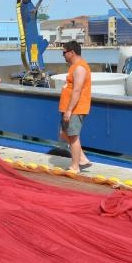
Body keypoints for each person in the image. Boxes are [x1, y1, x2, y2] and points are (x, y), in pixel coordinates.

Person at [59, 40, 92, 173]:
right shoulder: (74, 66)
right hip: (68, 107)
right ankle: (82, 158)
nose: (63, 56)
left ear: (71, 53)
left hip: (75, 109)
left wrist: (69, 110)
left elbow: (77, 90)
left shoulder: (79, 68)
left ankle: (75, 166)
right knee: (63, 133)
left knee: (73, 136)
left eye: (64, 53)